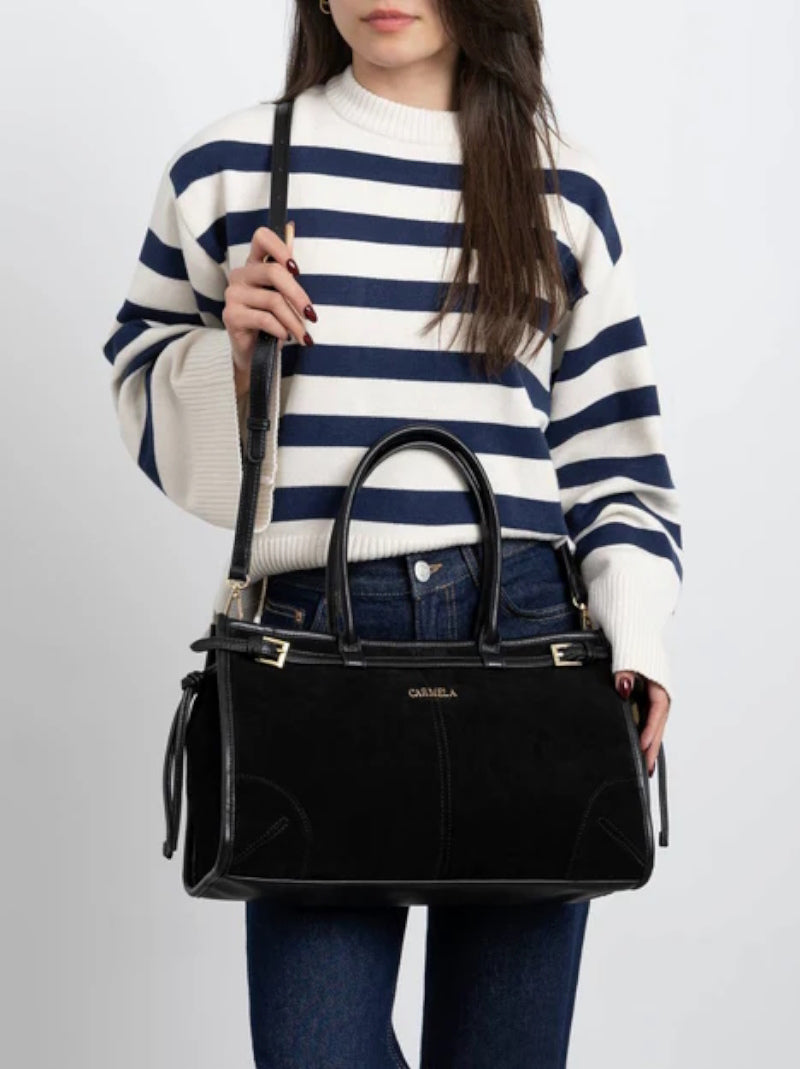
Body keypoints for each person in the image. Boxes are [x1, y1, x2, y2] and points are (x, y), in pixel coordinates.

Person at [102, 1, 683, 1065]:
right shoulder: (227, 170)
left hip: (527, 642)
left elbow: (612, 461)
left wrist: (637, 631)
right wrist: (232, 360)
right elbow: (142, 396)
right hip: (312, 647)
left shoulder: (564, 189)